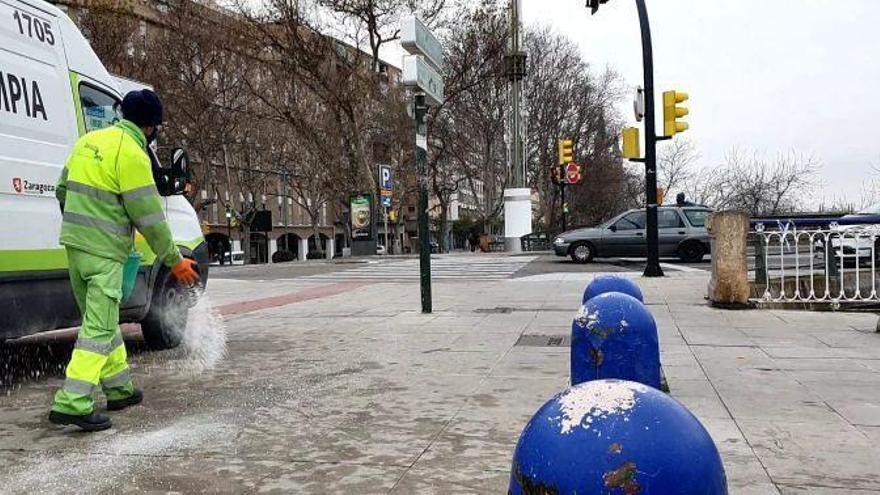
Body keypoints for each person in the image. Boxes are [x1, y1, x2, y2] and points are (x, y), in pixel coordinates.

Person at [49, 89, 200, 431]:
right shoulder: (132, 154)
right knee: (99, 327)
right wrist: (174, 260)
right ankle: (72, 402)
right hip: (104, 253)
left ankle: (119, 388)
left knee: (98, 319)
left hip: (75, 247)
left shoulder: (87, 142)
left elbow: (62, 189)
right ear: (150, 127)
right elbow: (148, 216)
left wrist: (81, 223)